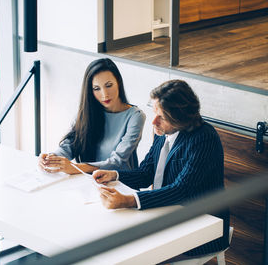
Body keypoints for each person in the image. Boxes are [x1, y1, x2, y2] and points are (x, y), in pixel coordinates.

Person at [93, 79, 230, 257]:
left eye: (162, 117)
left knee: (130, 252)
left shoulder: (204, 138)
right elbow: (145, 173)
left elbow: (182, 190)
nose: (153, 121)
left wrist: (128, 200)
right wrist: (114, 175)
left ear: (180, 119)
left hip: (200, 229)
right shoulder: (164, 131)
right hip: (164, 214)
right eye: (154, 112)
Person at [39, 58, 146, 175]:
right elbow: (71, 144)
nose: (104, 94)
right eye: (96, 89)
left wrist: (75, 168)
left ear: (118, 82)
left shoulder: (135, 116)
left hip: (120, 185)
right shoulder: (88, 112)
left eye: (109, 85)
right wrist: (52, 158)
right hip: (88, 181)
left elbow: (117, 162)